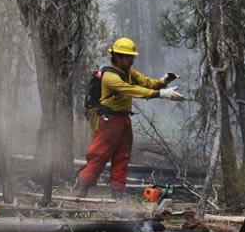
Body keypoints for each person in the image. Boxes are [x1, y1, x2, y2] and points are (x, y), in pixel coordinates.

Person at [75, 37, 183, 199]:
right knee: (99, 154)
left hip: (123, 120)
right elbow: (130, 90)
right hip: (108, 120)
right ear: (117, 56)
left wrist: (164, 81)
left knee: (122, 156)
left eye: (131, 56)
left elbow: (147, 83)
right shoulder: (110, 77)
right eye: (126, 56)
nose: (130, 59)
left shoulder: (130, 73)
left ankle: (117, 193)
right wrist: (160, 94)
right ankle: (82, 188)